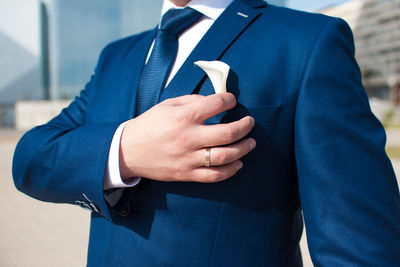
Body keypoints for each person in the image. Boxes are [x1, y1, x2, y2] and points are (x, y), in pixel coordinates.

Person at [13, 0, 400, 266]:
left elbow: (361, 247)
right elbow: (32, 157)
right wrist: (126, 149)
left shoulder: (307, 43)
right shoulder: (116, 55)